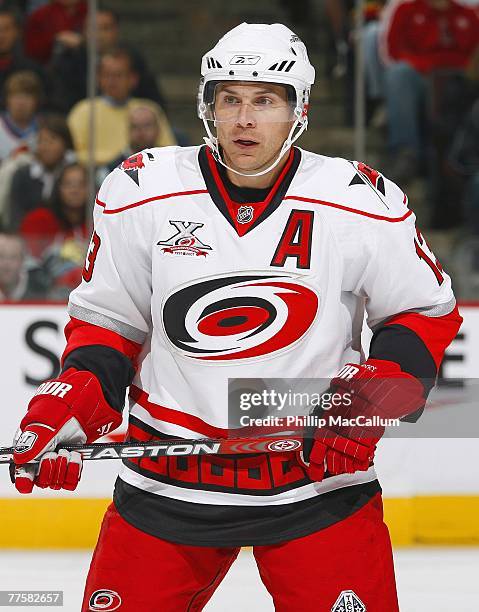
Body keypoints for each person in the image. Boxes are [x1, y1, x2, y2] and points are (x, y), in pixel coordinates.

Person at [11, 23, 462, 611]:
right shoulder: (142, 190)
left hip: (315, 483)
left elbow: (423, 313)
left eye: (265, 100)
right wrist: (71, 399)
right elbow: (109, 323)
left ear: (299, 109)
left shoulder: (356, 199)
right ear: (209, 106)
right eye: (231, 99)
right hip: (168, 482)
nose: (245, 120)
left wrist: (370, 401)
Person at [380, 0, 479, 183]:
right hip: (420, 78)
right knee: (399, 75)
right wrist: (426, 70)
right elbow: (391, 54)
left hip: (461, 82)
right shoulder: (405, 8)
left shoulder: (468, 13)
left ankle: (464, 157)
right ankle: (406, 153)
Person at [67, 47, 175, 165]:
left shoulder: (149, 109)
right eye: (106, 75)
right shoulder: (83, 110)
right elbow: (72, 154)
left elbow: (169, 151)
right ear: (98, 78)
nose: (112, 81)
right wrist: (117, 159)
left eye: (118, 75)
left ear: (133, 79)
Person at [49, 8, 167, 113]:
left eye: (105, 28)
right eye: (92, 28)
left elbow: (154, 101)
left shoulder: (132, 58)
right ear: (83, 32)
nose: (98, 34)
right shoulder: (70, 59)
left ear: (116, 31)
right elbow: (60, 103)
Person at [5, 113, 75, 229]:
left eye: (52, 140)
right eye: (42, 140)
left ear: (66, 143)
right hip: (27, 239)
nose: (46, 146)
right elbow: (15, 217)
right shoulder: (22, 174)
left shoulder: (74, 173)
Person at [96, 105, 162, 184]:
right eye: (135, 126)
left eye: (147, 126)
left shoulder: (168, 163)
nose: (141, 132)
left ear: (158, 129)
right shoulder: (109, 172)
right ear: (128, 131)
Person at [23, 0, 87, 65]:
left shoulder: (90, 13)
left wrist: (83, 42)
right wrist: (56, 39)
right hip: (48, 67)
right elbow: (31, 51)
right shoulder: (40, 15)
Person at [0, 70, 41, 161]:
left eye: (27, 96)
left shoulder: (45, 129)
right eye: (16, 96)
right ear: (7, 99)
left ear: (36, 101)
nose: (21, 103)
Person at [0, 228, 47, 300]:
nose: (6, 264)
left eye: (13, 257)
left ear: (23, 260)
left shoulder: (40, 291)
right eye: (1, 256)